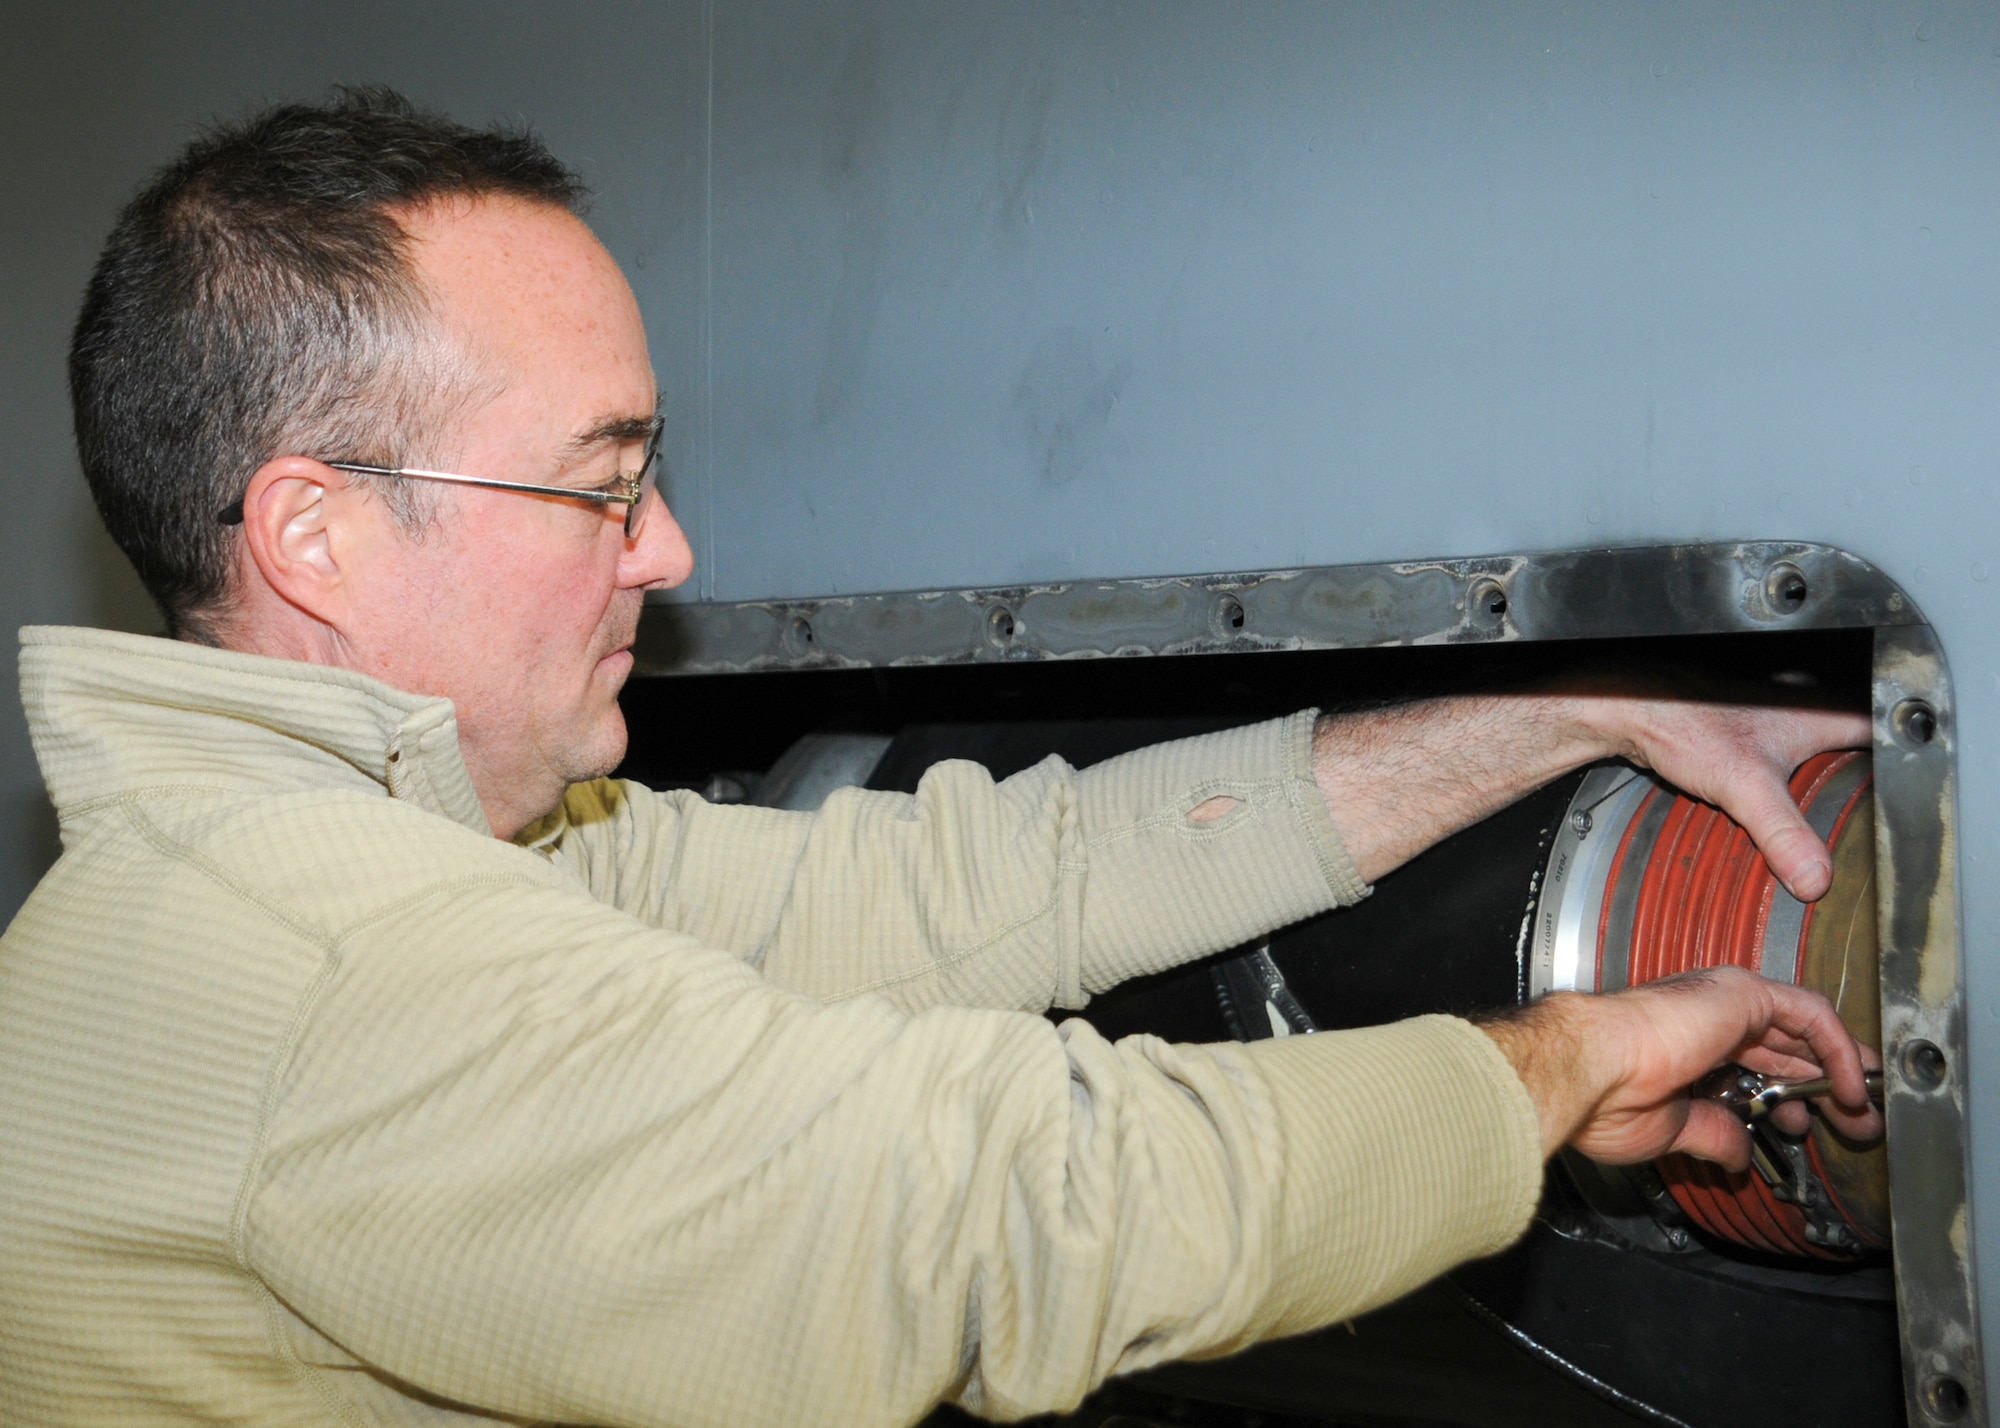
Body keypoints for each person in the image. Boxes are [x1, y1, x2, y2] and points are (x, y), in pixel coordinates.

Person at [0, 88, 1879, 1428]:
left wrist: (1562, 712)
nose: (665, 552)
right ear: (313, 533)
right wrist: (1571, 1057)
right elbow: (1021, 1215)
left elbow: (981, 884)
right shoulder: (332, 978)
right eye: (600, 484)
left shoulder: (406, 860)